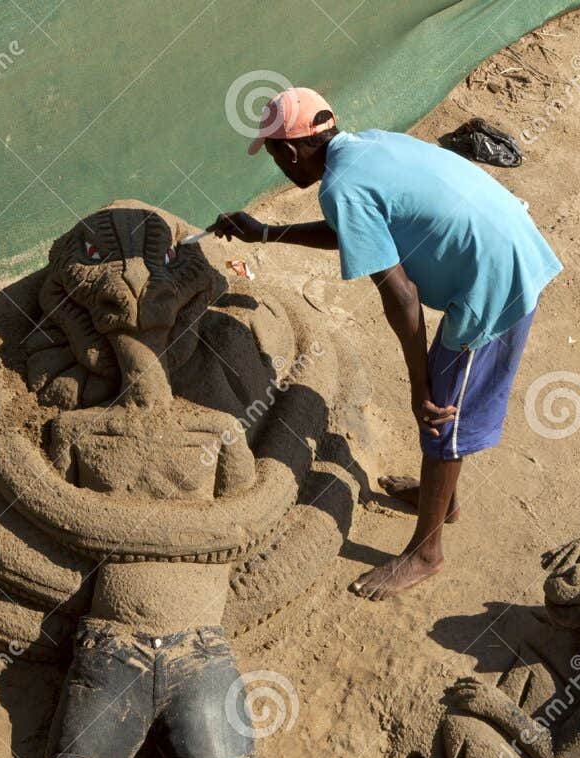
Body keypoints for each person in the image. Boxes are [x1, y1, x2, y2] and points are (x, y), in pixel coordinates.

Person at [212, 86, 561, 599]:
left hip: (496, 280)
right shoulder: (368, 145)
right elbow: (358, 231)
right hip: (510, 242)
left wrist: (418, 385)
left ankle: (426, 552)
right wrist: (266, 233)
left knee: (442, 412)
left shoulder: (340, 187)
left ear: (289, 151)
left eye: (274, 156)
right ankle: (443, 498)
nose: (280, 168)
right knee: (444, 410)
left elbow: (403, 298)